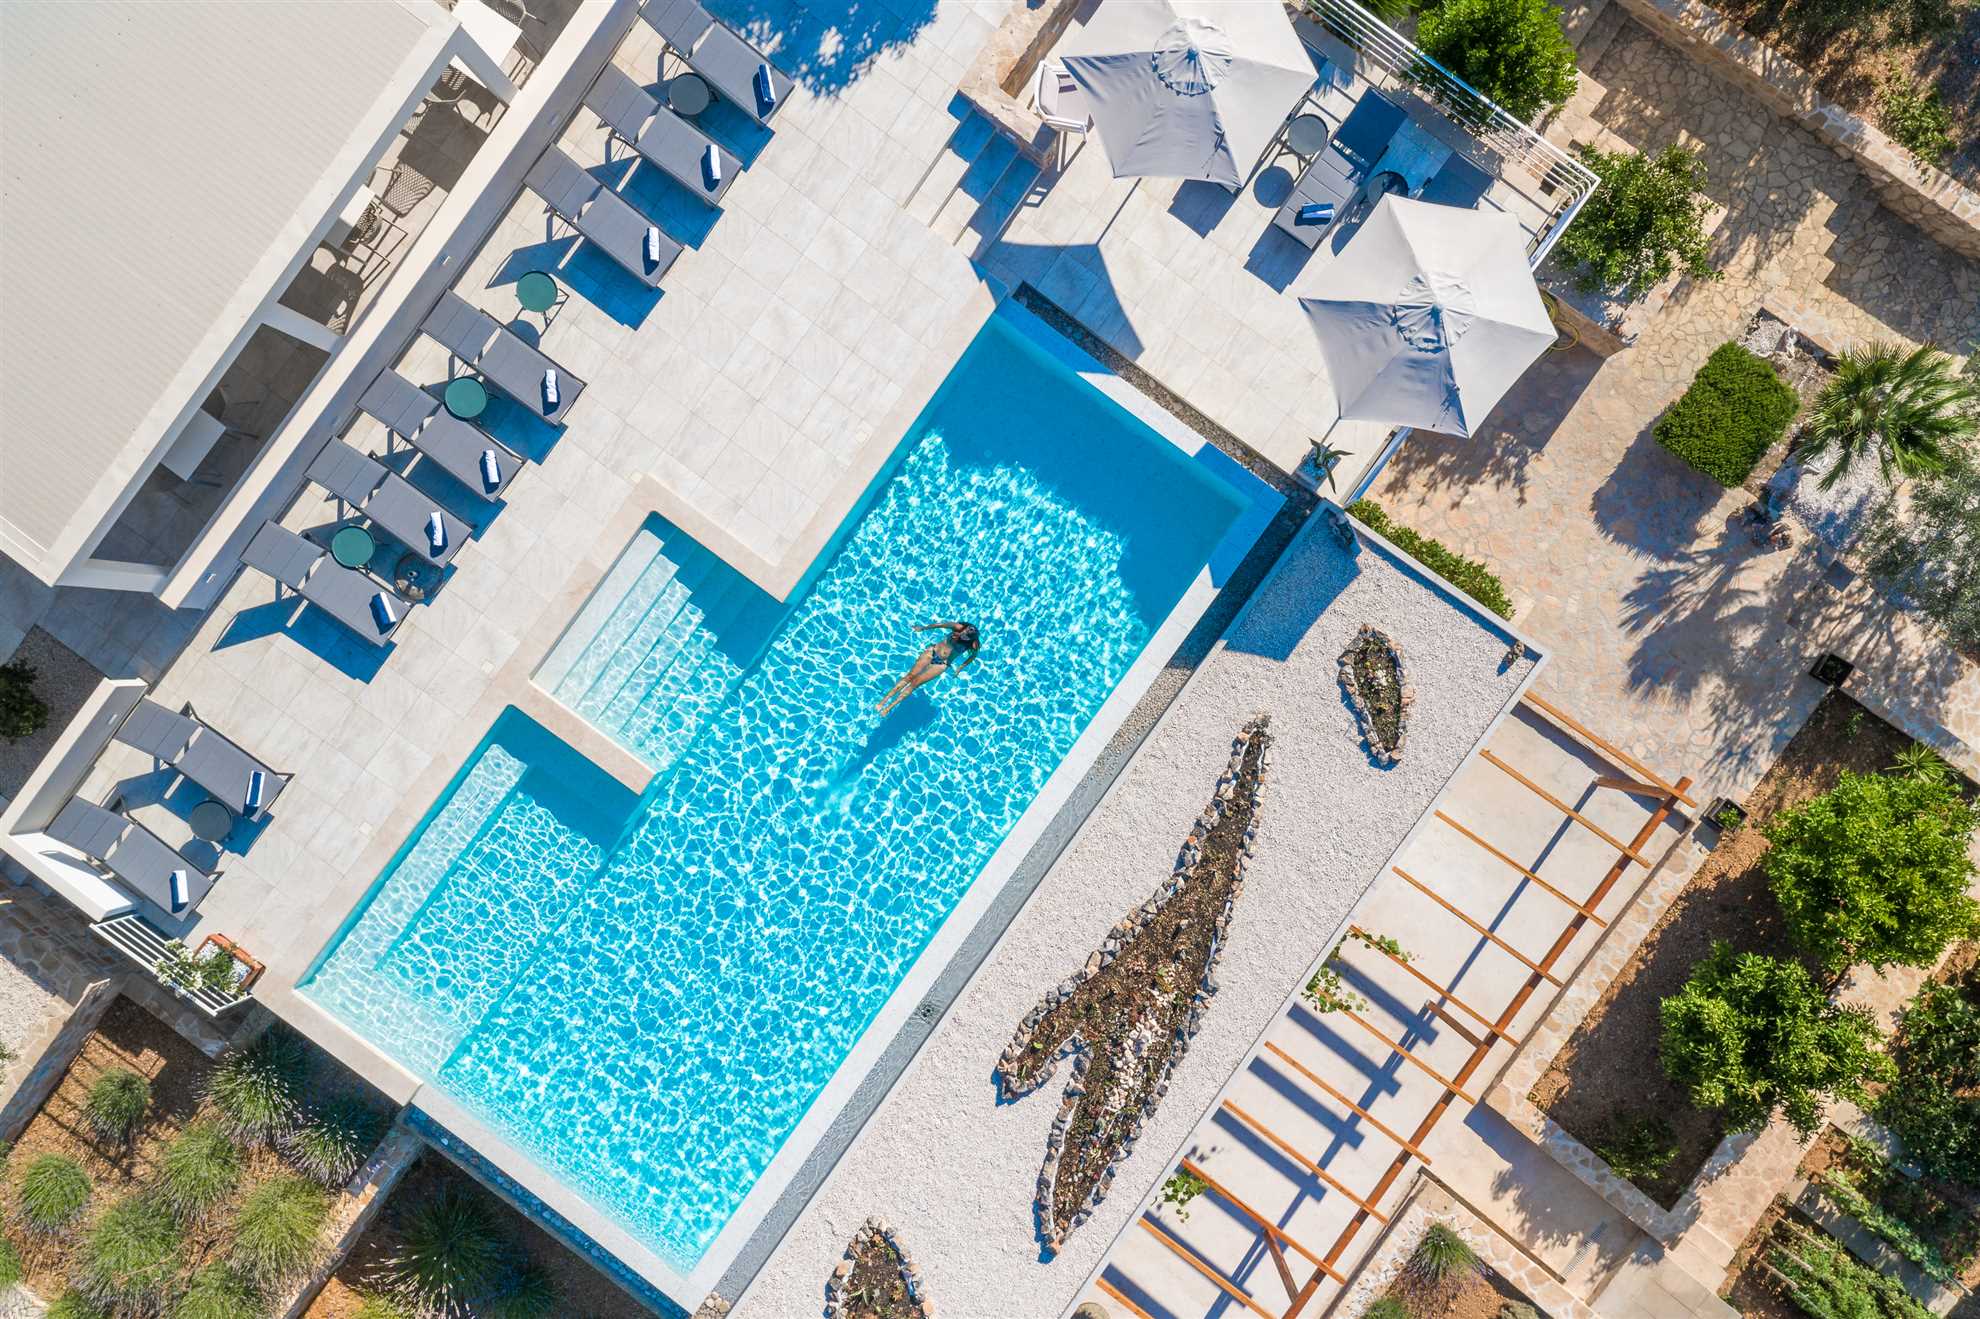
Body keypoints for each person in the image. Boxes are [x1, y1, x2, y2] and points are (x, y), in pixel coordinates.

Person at [877, 620, 980, 714]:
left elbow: (973, 656)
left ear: (970, 639)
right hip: (932, 652)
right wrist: (923, 628)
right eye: (963, 632)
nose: (962, 635)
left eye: (965, 636)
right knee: (910, 676)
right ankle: (883, 701)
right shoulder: (957, 627)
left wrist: (960, 668)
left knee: (915, 683)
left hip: (942, 664)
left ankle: (889, 708)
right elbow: (940, 624)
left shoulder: (974, 644)